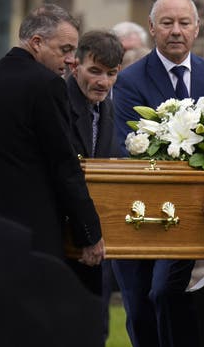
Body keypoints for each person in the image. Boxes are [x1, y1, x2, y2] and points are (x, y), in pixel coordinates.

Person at [112, 0, 204, 347]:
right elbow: (133, 145)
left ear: (197, 28)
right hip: (139, 208)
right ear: (152, 29)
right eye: (167, 23)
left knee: (165, 291)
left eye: (183, 23)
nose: (175, 31)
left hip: (189, 212)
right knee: (138, 305)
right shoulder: (130, 80)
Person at [0, 3, 104, 264]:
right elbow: (63, 164)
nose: (71, 60)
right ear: (37, 42)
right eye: (65, 50)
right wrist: (89, 233)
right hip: (27, 233)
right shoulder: (46, 85)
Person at [66, 29, 124, 341]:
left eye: (111, 73)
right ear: (75, 66)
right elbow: (65, 175)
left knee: (95, 329)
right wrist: (86, 234)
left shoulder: (108, 108)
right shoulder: (57, 103)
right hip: (63, 237)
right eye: (95, 71)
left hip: (97, 239)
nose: (103, 82)